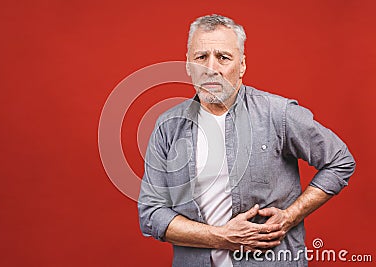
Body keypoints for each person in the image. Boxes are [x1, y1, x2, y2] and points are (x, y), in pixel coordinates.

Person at [138, 14, 355, 266]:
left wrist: (291, 216)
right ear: (188, 65)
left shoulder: (277, 113)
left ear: (241, 65)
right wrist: (222, 237)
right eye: (201, 57)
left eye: (223, 57)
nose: (211, 68)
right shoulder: (168, 127)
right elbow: (151, 214)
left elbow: (340, 161)